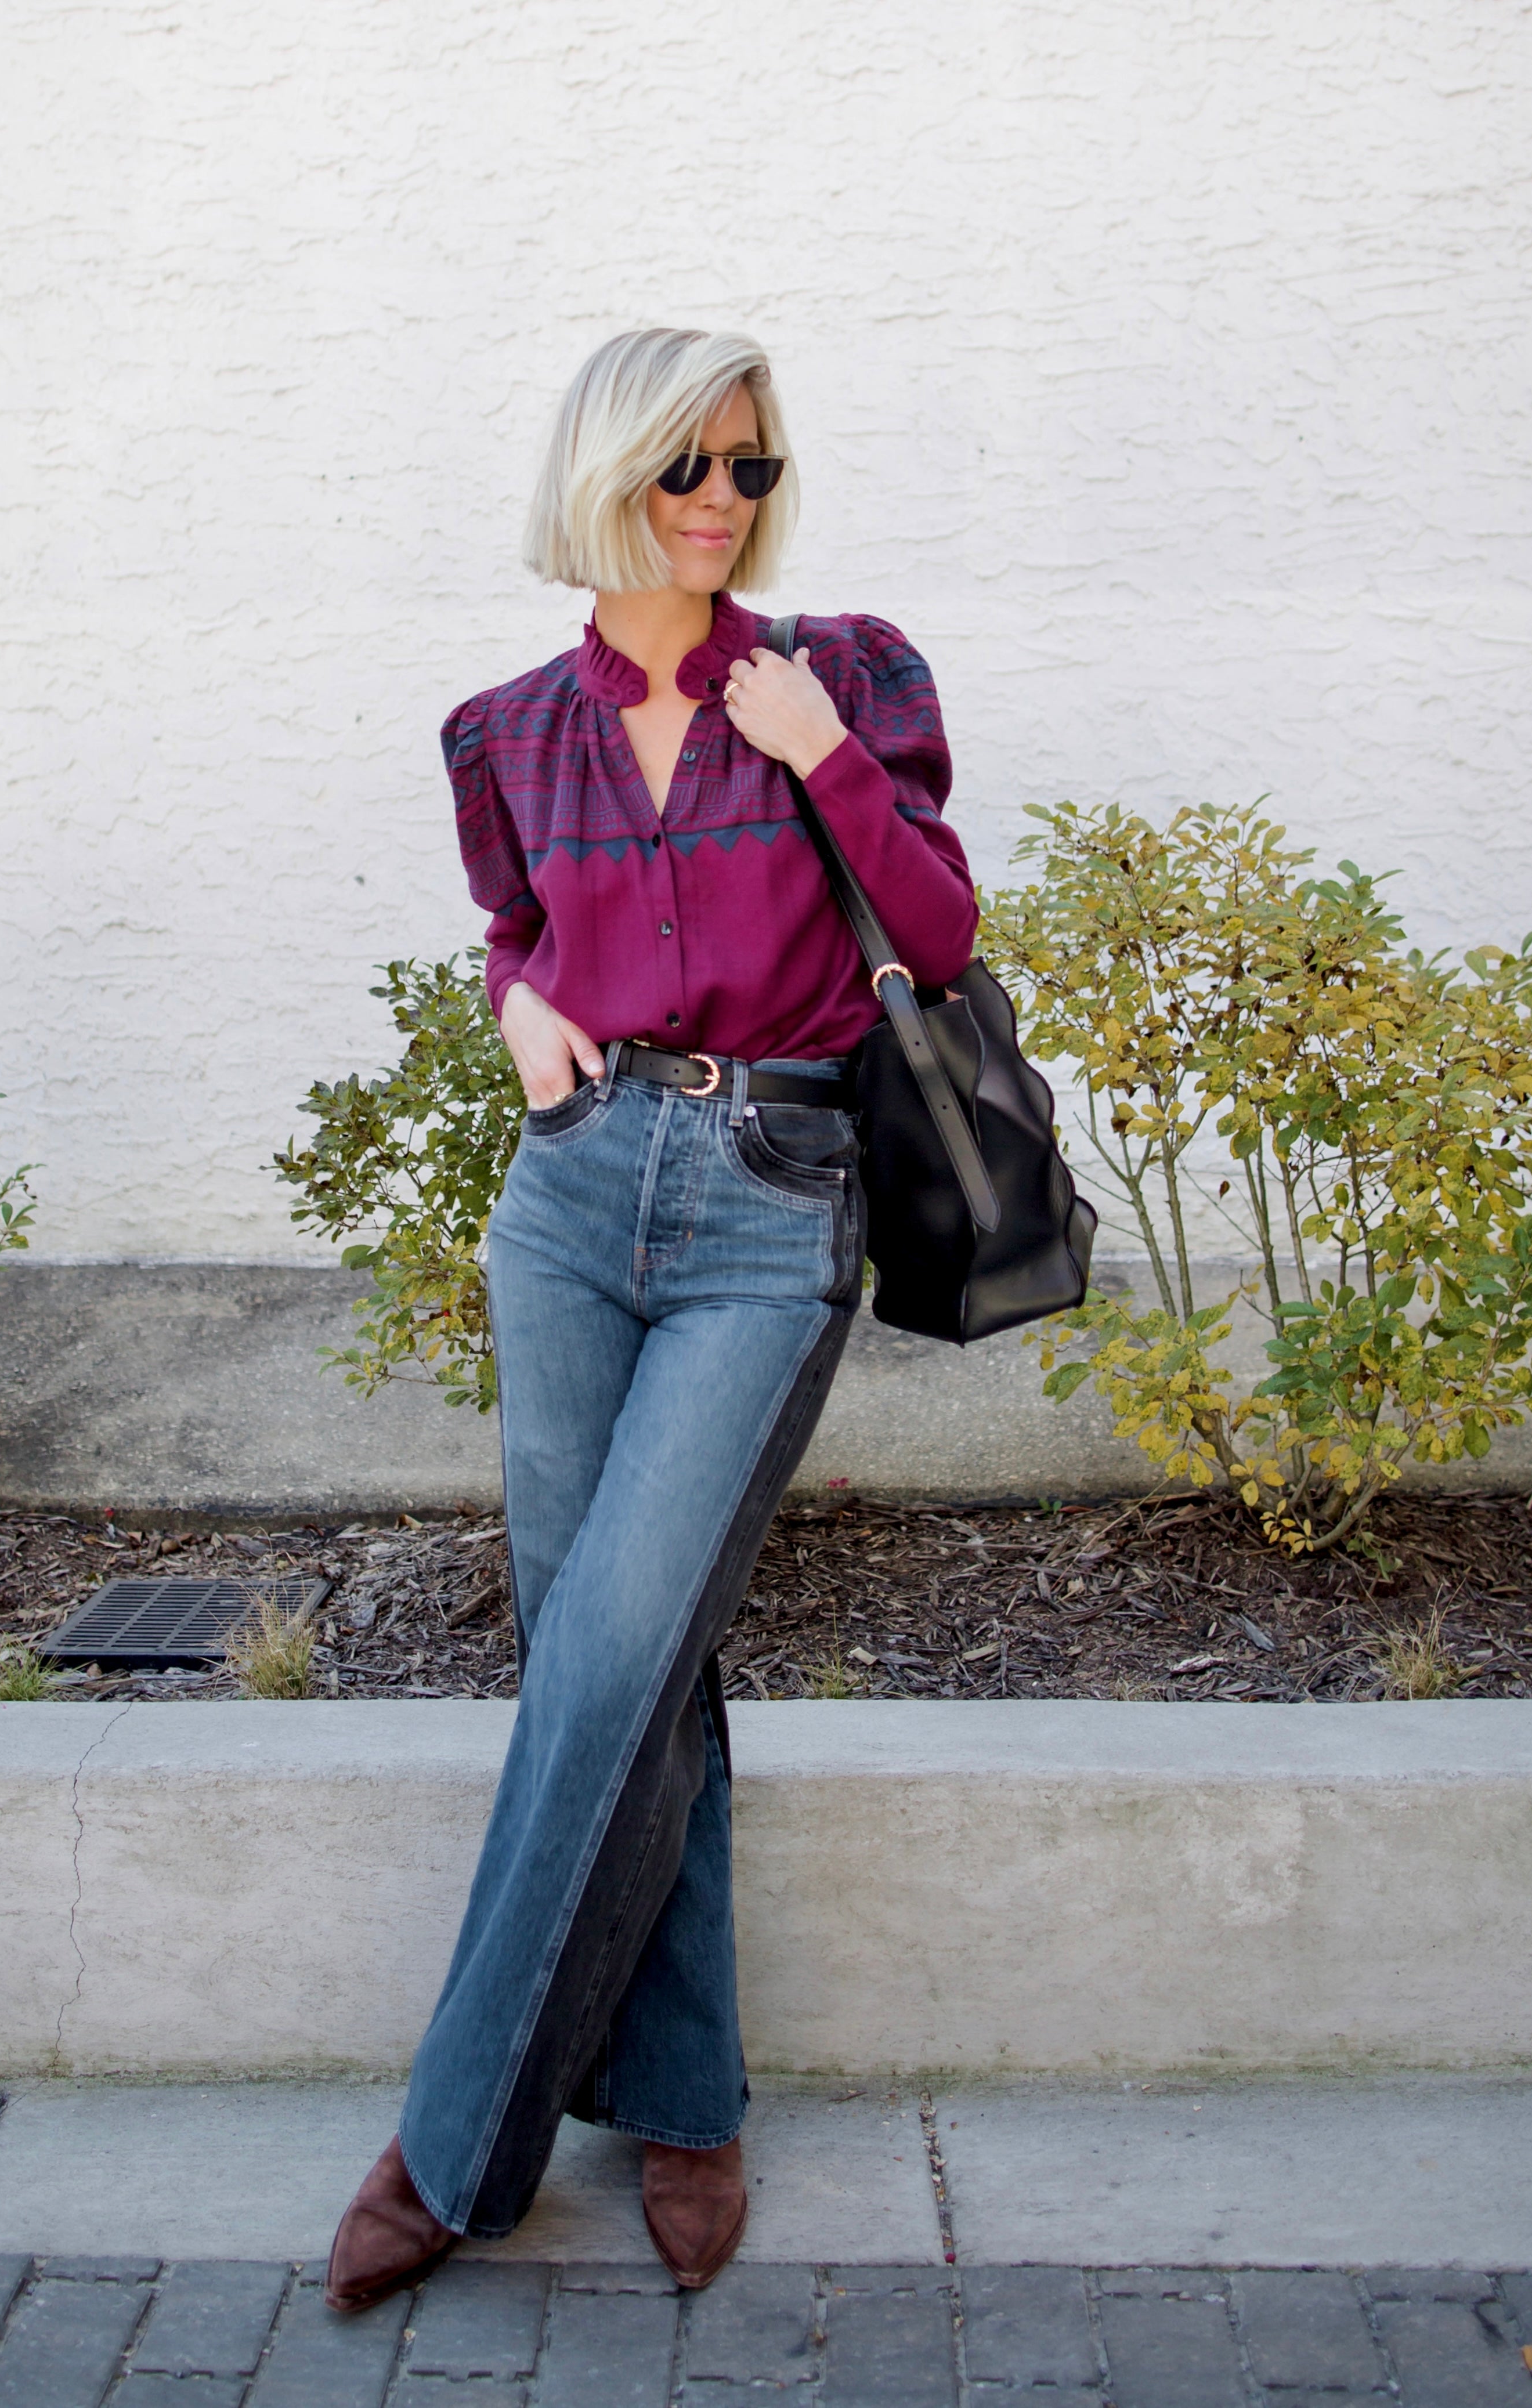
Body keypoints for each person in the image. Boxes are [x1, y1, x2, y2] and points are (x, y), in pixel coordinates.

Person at [324, 327, 978, 2311]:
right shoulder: (501, 730)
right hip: (570, 1198)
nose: (723, 503)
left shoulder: (846, 676)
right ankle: (686, 2101)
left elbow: (939, 932)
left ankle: (454, 2147)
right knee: (622, 1656)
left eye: (753, 470)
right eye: (690, 466)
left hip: (772, 1206)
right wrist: (517, 1006)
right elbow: (520, 934)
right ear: (605, 475)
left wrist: (817, 760)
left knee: (612, 1645)